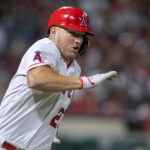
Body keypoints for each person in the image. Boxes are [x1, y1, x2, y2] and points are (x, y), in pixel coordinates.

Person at [0, 6, 117, 150]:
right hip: (7, 144)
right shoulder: (45, 47)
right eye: (72, 33)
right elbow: (36, 79)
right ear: (54, 32)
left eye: (81, 35)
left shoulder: (75, 69)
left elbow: (56, 105)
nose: (78, 41)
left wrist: (48, 130)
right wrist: (83, 82)